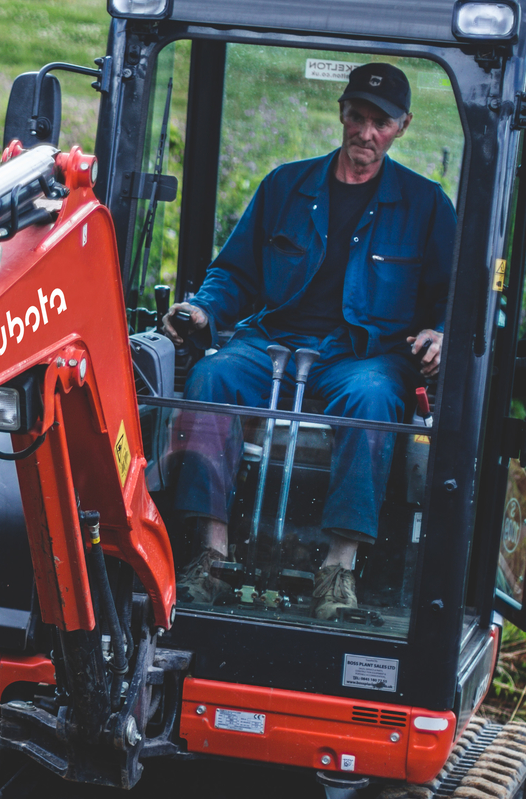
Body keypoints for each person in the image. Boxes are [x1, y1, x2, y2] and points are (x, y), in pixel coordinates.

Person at [162, 61, 455, 621]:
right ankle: (212, 558)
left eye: (381, 123)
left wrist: (439, 331)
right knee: (211, 377)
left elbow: (454, 295)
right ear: (342, 113)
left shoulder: (427, 206)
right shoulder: (285, 186)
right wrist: (202, 309)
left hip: (363, 354)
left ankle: (337, 570)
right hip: (274, 336)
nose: (366, 133)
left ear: (403, 127)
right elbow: (235, 274)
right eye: (358, 117)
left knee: (373, 400)